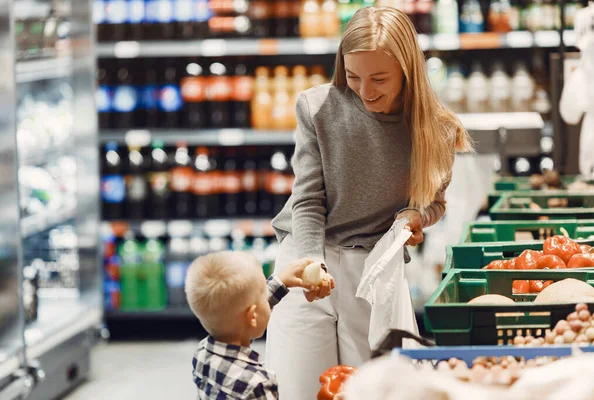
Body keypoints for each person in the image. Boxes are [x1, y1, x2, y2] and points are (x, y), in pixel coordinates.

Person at [266, 6, 473, 400]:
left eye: (379, 78)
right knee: (300, 390)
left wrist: (417, 216)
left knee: (371, 391)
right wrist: (312, 263)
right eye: (353, 76)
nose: (365, 89)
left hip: (374, 274)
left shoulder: (438, 131)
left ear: (408, 70)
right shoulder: (318, 108)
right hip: (308, 261)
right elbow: (307, 199)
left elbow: (435, 203)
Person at [184, 251, 334, 399]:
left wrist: (281, 281)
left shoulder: (202, 353)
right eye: (263, 292)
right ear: (253, 316)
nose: (266, 295)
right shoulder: (257, 384)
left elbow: (245, 314)